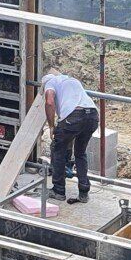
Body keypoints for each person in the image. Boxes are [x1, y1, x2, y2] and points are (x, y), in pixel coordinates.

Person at [41, 66, 100, 203]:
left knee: (58, 150)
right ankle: (84, 192)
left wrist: (51, 126)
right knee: (80, 153)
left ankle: (58, 190)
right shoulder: (72, 80)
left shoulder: (50, 82)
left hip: (73, 116)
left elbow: (49, 102)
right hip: (92, 115)